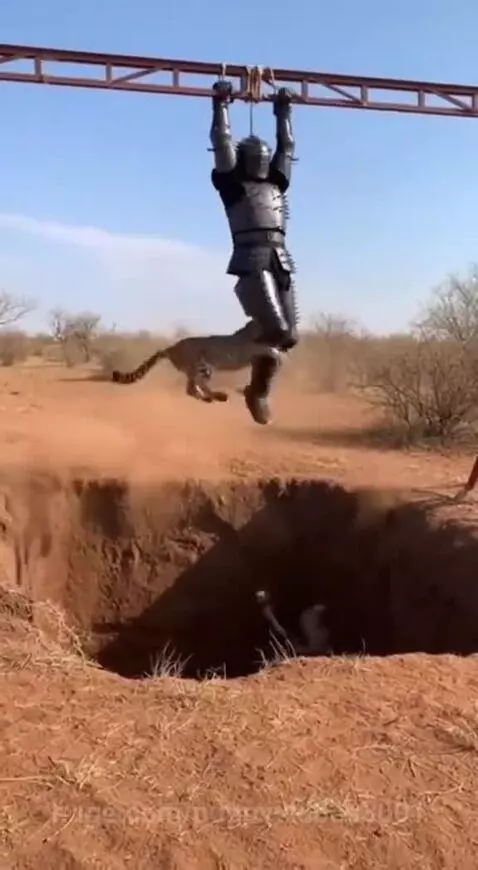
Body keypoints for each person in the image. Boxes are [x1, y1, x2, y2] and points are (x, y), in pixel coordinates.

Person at [209, 77, 298, 424]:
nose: (263, 161)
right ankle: (224, 352)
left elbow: (287, 146)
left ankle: (256, 390)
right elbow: (220, 140)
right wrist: (220, 104)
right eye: (256, 158)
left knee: (288, 335)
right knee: (272, 328)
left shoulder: (276, 183)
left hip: (280, 257)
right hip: (250, 257)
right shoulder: (232, 185)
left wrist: (283, 110)